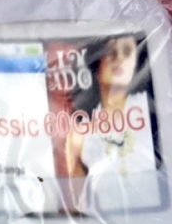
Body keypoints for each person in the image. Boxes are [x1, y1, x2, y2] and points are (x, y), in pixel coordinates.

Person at [65, 34, 156, 179]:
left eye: (127, 52)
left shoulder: (152, 113)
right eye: (110, 51)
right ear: (96, 61)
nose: (119, 58)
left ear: (136, 63)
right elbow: (78, 192)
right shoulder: (80, 134)